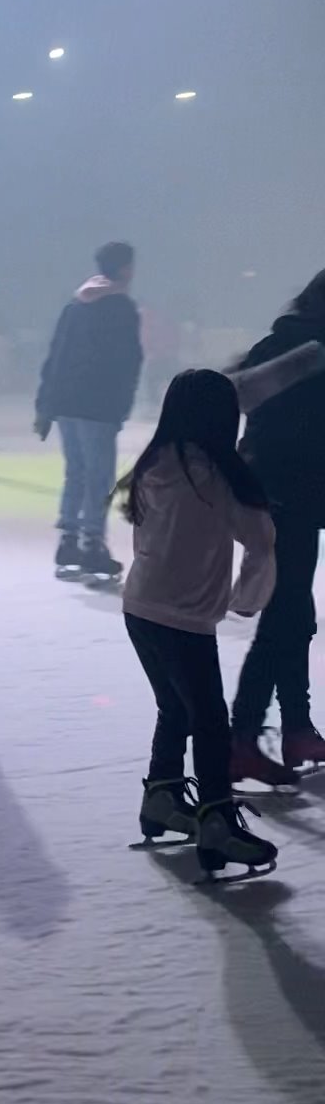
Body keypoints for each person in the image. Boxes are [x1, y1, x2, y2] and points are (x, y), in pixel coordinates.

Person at [119, 369, 278, 878]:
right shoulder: (217, 475)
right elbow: (261, 539)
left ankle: (162, 797)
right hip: (183, 616)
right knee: (209, 718)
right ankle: (216, 823)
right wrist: (248, 597)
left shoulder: (153, 463)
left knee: (176, 707)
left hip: (140, 607)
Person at [229, 269, 325, 781]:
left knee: (294, 612)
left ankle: (296, 729)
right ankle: (241, 736)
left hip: (272, 494)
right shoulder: (311, 351)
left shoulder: (278, 342)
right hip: (292, 498)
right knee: (285, 616)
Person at [36, 240, 143, 580]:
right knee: (98, 476)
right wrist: (122, 403)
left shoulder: (76, 305)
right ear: (125, 268)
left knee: (77, 472)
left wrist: (46, 404)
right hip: (99, 404)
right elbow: (128, 361)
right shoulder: (122, 308)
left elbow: (57, 353)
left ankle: (68, 539)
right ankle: (92, 543)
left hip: (67, 402)